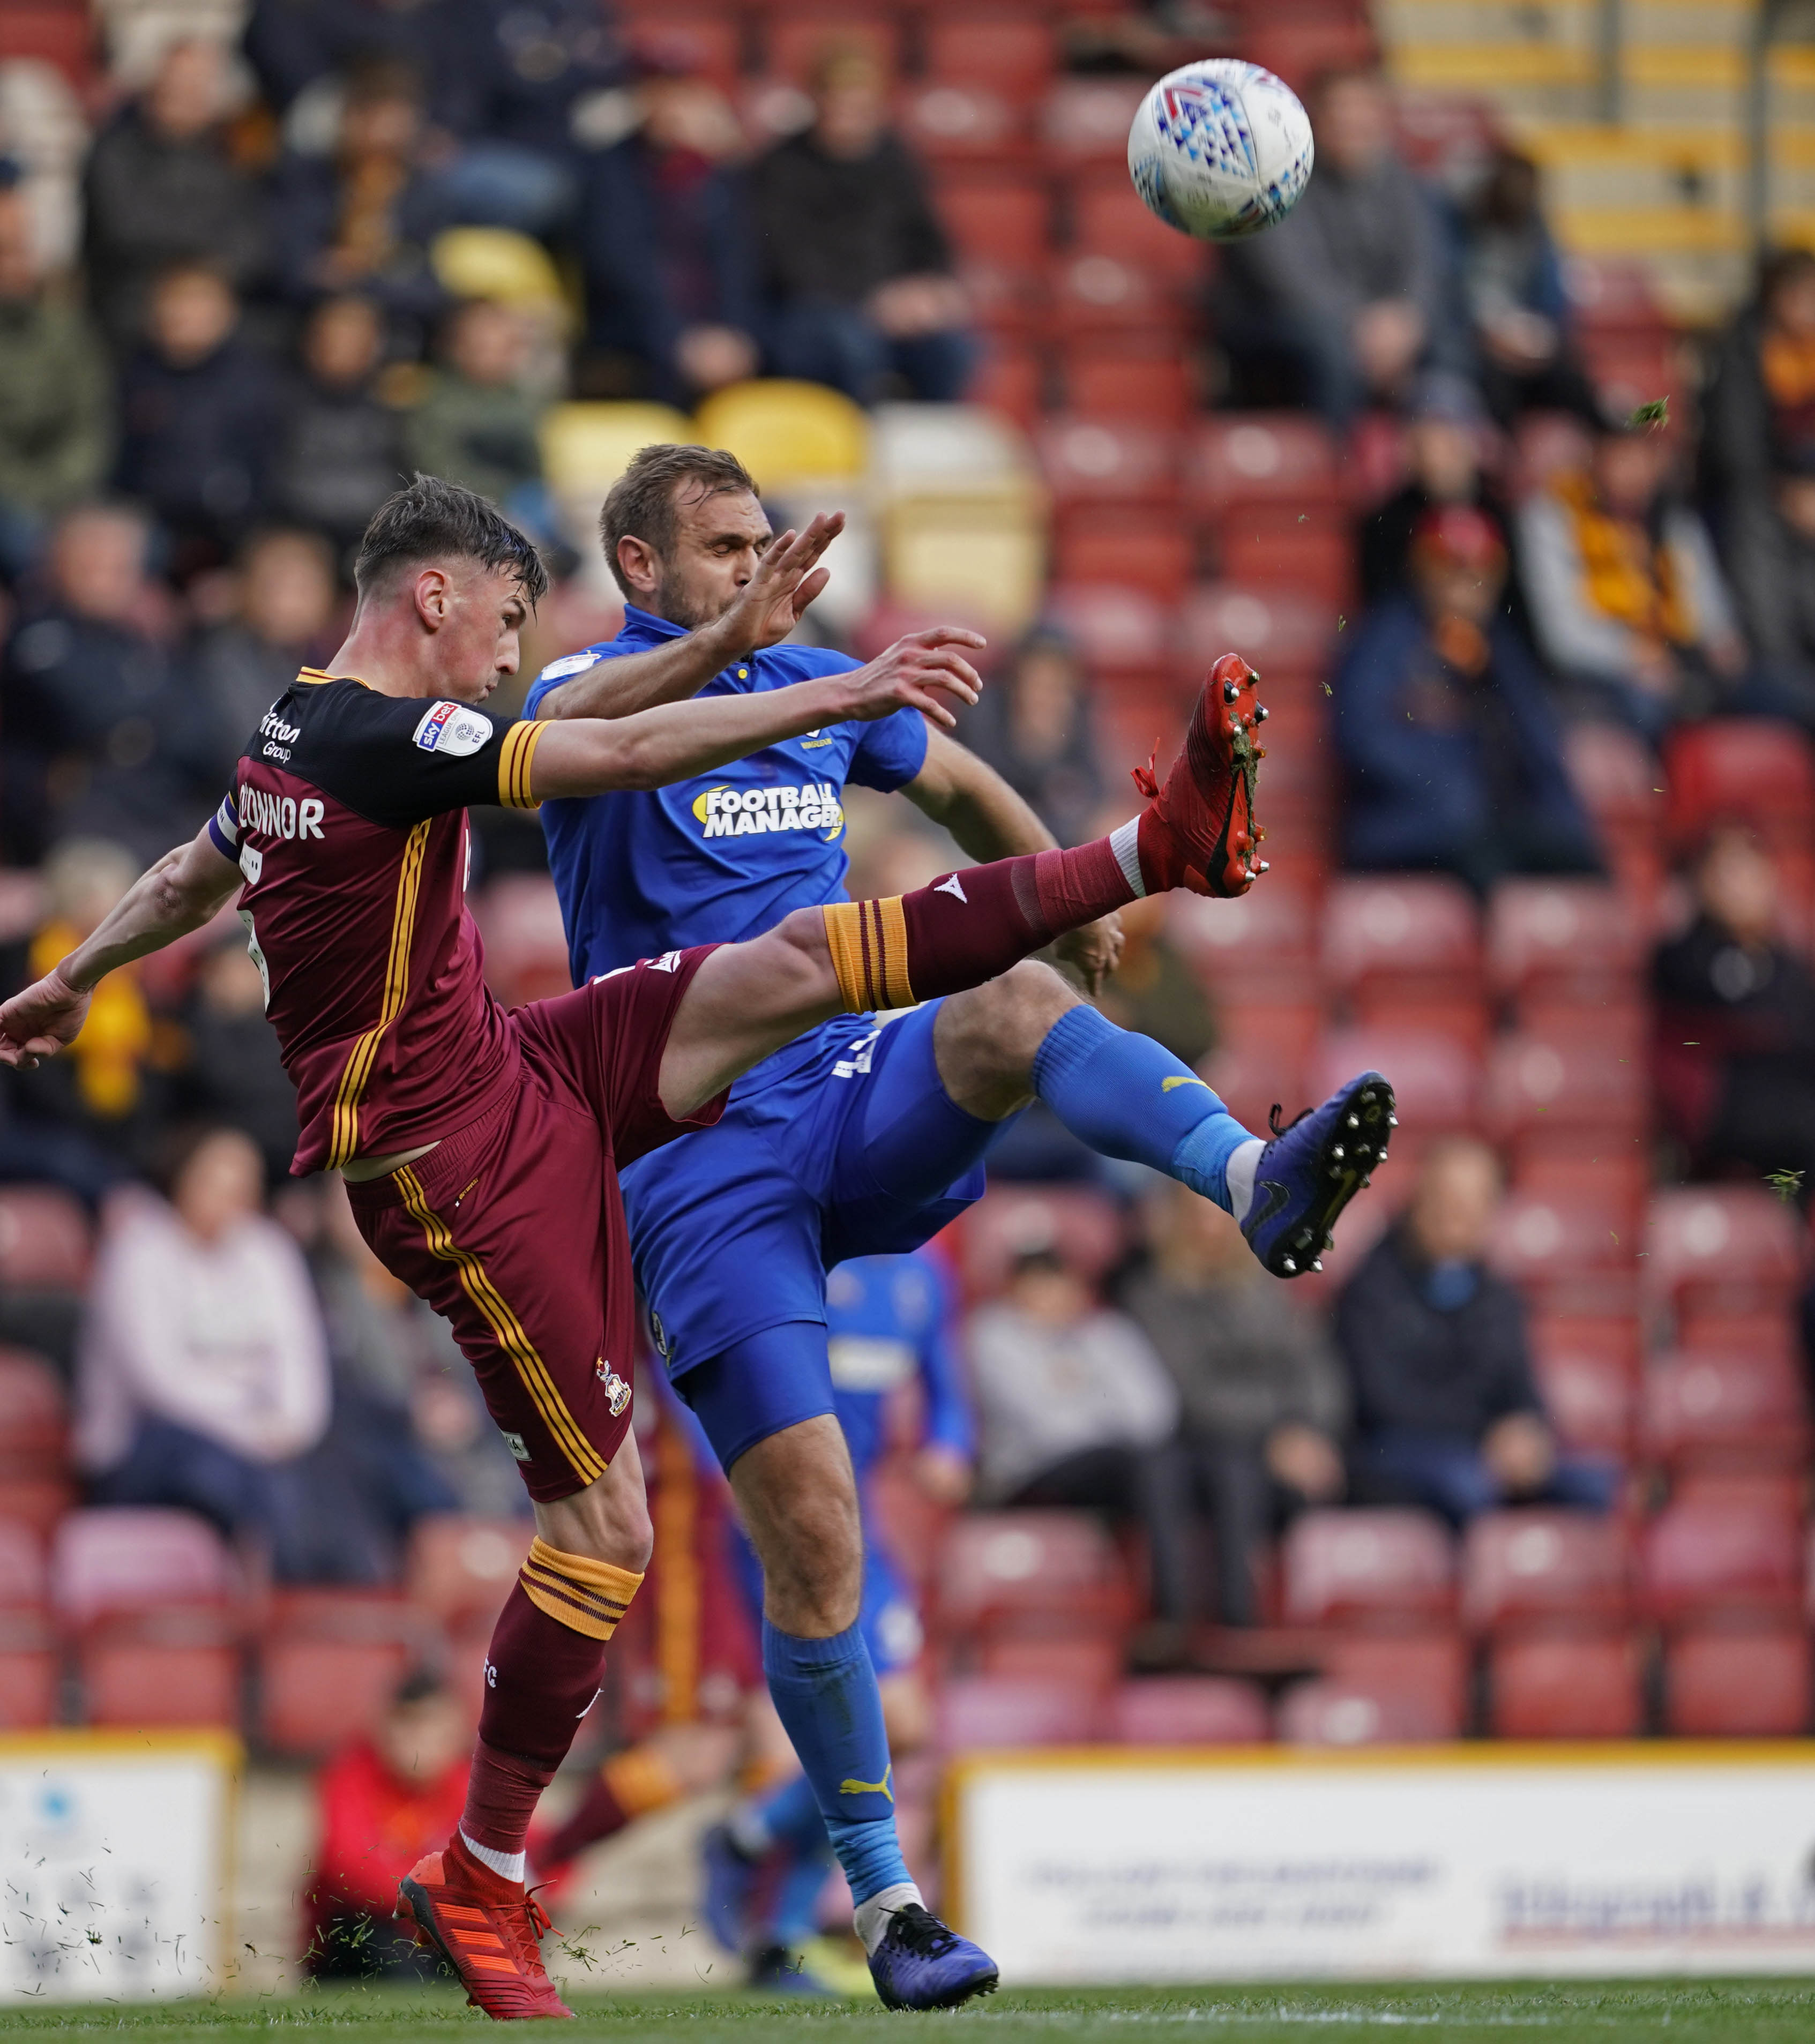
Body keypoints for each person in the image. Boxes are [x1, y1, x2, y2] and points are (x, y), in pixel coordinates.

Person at [0, 472, 1357, 2016]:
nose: (510, 652)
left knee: (791, 958)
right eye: (504, 620)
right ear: (438, 596)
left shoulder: (288, 733)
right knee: (607, 1537)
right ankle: (486, 1867)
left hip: (524, 1061)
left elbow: (198, 862)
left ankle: (1150, 864)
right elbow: (626, 744)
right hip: (459, 1162)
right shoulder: (408, 735)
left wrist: (79, 973)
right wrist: (835, 681)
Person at [525, 441, 1393, 1989]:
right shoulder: (587, 693)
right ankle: (884, 1908)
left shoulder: (823, 687)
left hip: (844, 1083)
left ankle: (1246, 1179)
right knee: (816, 1535)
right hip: (692, 1159)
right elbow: (597, 734)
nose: (753, 568)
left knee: (1016, 1000)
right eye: (721, 547)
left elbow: (953, 779)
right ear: (640, 566)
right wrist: (784, 669)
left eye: (761, 543)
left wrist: (1058, 892)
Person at [75, 1124, 333, 1569]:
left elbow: (300, 1359)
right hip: (143, 1448)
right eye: (217, 1183)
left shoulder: (269, 1250)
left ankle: (308, 1592)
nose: (231, 1198)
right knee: (231, 1478)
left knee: (330, 1468)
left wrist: (292, 1427)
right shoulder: (138, 1250)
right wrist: (251, 1428)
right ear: (182, 1179)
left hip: (256, 1439)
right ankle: (277, 1589)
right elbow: (158, 1382)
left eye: (242, 1186)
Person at [1337, 1137, 1616, 1526]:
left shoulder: (1499, 1297)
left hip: (1485, 1455)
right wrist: (1485, 1439)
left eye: (1472, 1204)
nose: (1457, 1216)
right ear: (1418, 1201)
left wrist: (1526, 1435)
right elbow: (1383, 1405)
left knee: (1598, 1485)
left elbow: (1524, 1396)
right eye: (1445, 1199)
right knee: (1469, 1485)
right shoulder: (1369, 1290)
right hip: (1396, 1453)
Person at [1334, 505, 1601, 888]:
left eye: (1481, 569)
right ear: (1422, 569)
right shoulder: (1384, 640)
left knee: (1583, 864)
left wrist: (1568, 826)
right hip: (1409, 829)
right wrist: (1453, 792)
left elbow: (1539, 743)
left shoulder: (1500, 647)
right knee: (1490, 865)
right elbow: (1362, 738)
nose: (1467, 583)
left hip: (1494, 829)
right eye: (1451, 566)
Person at [1123, 1182, 1347, 1628]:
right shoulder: (1150, 1298)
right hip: (1203, 1450)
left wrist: (1309, 1430)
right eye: (1196, 1217)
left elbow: (1316, 1368)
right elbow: (1192, 1394)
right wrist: (1274, 1435)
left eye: (1221, 1217)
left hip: (1288, 1448)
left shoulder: (1270, 1290)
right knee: (1234, 1472)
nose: (1210, 1231)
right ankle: (1230, 1621)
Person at [1216, 65, 1460, 426]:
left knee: (1450, 337)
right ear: (1313, 120)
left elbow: (1424, 261)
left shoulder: (1401, 178)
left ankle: (1444, 454)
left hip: (1381, 323)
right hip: (1281, 322)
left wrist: (1407, 317)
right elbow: (1290, 279)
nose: (1353, 123)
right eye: (1341, 111)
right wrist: (1361, 323)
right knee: (1330, 349)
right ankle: (1337, 458)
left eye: (1365, 111)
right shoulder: (1272, 181)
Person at [968, 1245, 1196, 1629]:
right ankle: (1169, 1614)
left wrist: (1081, 1389)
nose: (1049, 1300)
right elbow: (1045, 1430)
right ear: (1013, 1291)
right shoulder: (993, 1334)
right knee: (1146, 1466)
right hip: (1029, 1475)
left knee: (1179, 1465)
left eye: (1058, 1287)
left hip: (1113, 1467)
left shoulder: (1109, 1333)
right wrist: (1104, 1414)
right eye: (1037, 1288)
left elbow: (1155, 1417)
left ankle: (1180, 1614)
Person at [751, 44, 974, 406]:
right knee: (849, 344)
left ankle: (924, 434)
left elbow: (928, 240)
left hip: (889, 308)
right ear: (816, 100)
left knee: (952, 348)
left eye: (858, 104)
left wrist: (929, 290)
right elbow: (787, 263)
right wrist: (874, 302)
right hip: (811, 311)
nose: (846, 114)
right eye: (836, 101)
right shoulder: (781, 167)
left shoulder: (896, 160)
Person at [0, 502, 216, 864]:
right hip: (69, 823)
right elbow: (90, 713)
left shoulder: (141, 643)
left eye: (120, 566)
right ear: (57, 563)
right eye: (92, 563)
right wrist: (151, 719)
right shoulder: (36, 637)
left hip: (157, 809)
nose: (106, 578)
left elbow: (200, 734)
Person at [1518, 416, 1746, 740]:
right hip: (1599, 678)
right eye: (1622, 456)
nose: (1635, 470)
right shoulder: (1554, 517)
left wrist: (1721, 642)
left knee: (1761, 695)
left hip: (1680, 661)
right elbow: (1564, 638)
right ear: (1595, 458)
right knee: (1653, 711)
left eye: (1644, 456)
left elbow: (1711, 613)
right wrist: (1630, 657)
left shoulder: (1674, 521)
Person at [578, 53, 760, 407]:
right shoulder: (609, 172)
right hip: (640, 334)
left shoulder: (717, 173)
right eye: (658, 94)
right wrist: (679, 339)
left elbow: (737, 263)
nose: (671, 108)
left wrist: (736, 334)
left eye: (680, 95)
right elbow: (620, 268)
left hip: (715, 336)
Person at [1653, 827, 1815, 1196]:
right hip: (1723, 1108)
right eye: (1728, 872)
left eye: (1750, 871)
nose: (1741, 886)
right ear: (1702, 883)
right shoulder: (1683, 957)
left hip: (1792, 1098)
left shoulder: (1788, 965)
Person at [81, 38, 268, 355]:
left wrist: (203, 289)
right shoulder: (114, 152)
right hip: (133, 306)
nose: (182, 94)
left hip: (217, 307)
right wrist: (186, 282)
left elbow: (254, 243)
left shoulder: (237, 154)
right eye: (174, 83)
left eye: (195, 85)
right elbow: (129, 230)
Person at [114, 263, 286, 573]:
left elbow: (268, 461)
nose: (182, 314)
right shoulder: (135, 373)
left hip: (234, 524)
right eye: (173, 301)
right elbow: (123, 459)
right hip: (151, 518)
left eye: (197, 302)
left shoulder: (253, 380)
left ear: (226, 313)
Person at [304, 1667, 473, 1979]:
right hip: (365, 1932)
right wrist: (439, 1898)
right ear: (384, 1727)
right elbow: (349, 1866)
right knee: (390, 1950)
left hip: (442, 1930)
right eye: (408, 1725)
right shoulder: (351, 1775)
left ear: (455, 1731)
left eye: (430, 1726)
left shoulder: (469, 1785)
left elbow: (529, 1851)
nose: (419, 1741)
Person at [268, 59, 454, 335]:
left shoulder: (423, 196)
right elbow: (288, 273)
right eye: (370, 122)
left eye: (394, 127)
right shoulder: (302, 182)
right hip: (304, 326)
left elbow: (430, 292)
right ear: (347, 119)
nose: (380, 139)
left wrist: (359, 273)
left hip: (391, 330)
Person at [0, 177, 110, 584]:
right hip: (12, 502)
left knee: (132, 547)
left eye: (21, 249)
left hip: (63, 496)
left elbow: (90, 424)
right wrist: (26, 494)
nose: (15, 265)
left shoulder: (65, 329)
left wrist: (55, 491)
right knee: (24, 542)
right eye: (4, 251)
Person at [1452, 144, 1600, 429]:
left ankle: (1618, 436)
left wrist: (1541, 336)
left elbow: (1553, 295)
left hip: (1524, 341)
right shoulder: (1457, 216)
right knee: (1493, 389)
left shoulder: (1534, 222)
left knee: (1570, 376)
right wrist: (1486, 332)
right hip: (1474, 346)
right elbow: (1448, 291)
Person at [192, 529, 343, 783]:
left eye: (303, 589)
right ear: (246, 589)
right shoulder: (225, 657)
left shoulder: (332, 656)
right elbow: (251, 750)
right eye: (275, 587)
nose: (289, 603)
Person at [274, 295, 409, 567]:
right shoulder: (276, 399)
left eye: (354, 340)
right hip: (296, 535)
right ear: (310, 341)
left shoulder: (400, 402)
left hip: (379, 538)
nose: (340, 349)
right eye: (331, 338)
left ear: (376, 345)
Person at [1356, 372, 1508, 607]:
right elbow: (1381, 602)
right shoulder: (1386, 523)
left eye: (1450, 443)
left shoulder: (1500, 514)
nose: (1438, 457)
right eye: (1428, 443)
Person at [402, 300, 551, 536]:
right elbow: (438, 474)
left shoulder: (525, 400)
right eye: (483, 347)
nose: (495, 356)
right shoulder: (436, 404)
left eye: (504, 347)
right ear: (458, 348)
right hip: (459, 518)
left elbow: (536, 466)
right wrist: (505, 498)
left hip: (526, 514)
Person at [959, 626, 1104, 853]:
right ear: (1016, 679)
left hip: (1058, 845)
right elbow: (985, 795)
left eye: (1056, 683)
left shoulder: (1080, 717)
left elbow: (1098, 793)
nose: (1045, 695)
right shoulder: (980, 713)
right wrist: (1037, 746)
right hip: (975, 842)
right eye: (1037, 680)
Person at [1702, 246, 1815, 527]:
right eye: (1798, 295)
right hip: (1763, 492)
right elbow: (1737, 446)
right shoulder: (1742, 353)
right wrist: (1786, 493)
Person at [1719, 441, 1815, 730]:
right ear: (1787, 489)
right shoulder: (1757, 536)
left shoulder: (1805, 543)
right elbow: (1770, 636)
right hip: (1758, 671)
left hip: (1798, 671)